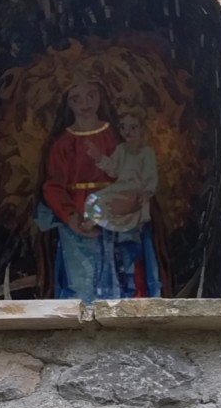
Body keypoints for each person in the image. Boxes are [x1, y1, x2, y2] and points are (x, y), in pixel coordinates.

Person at [36, 82, 160, 300]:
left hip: (120, 207)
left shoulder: (117, 136)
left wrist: (133, 200)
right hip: (77, 214)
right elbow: (53, 186)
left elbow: (136, 170)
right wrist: (72, 217)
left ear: (100, 98)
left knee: (126, 277)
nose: (85, 104)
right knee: (82, 282)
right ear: (68, 105)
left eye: (91, 96)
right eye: (76, 99)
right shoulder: (62, 143)